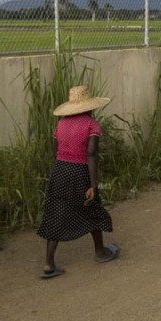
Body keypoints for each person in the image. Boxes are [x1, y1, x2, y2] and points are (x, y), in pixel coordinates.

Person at [36, 85, 120, 279]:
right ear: (90, 106)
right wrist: (93, 184)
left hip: (59, 170)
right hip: (79, 171)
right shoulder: (92, 125)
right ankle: (100, 252)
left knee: (56, 212)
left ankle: (49, 263)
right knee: (92, 208)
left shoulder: (61, 124)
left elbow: (56, 150)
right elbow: (91, 153)